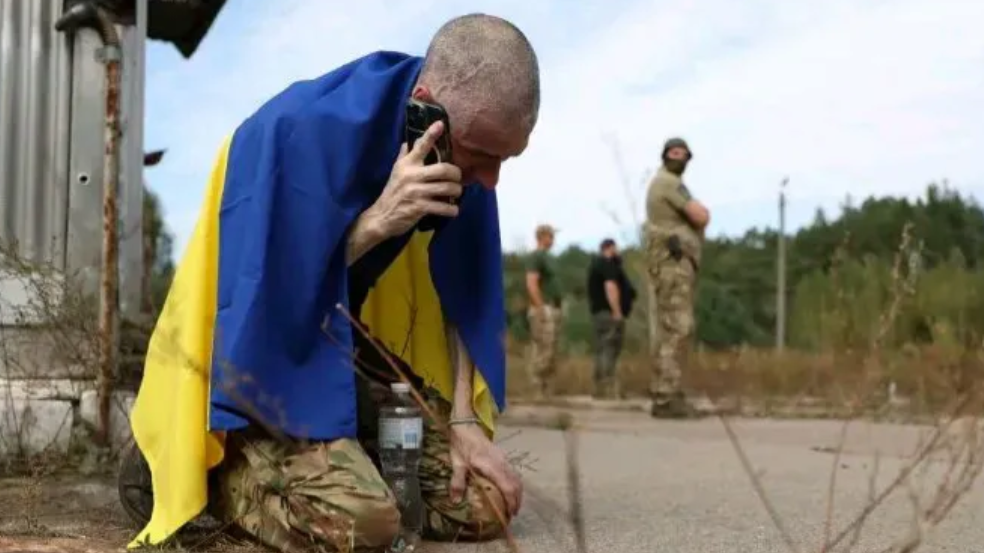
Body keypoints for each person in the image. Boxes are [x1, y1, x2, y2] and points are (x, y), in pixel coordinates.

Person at [124, 14, 539, 553]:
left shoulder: (460, 149)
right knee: (364, 526)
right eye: (482, 156)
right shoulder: (297, 130)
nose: (490, 178)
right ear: (427, 106)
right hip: (253, 357)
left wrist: (463, 422)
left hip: (337, 343)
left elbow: (467, 291)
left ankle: (346, 465)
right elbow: (263, 298)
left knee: (486, 502)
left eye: (505, 159)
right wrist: (377, 222)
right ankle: (204, 471)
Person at [643, 137, 710, 418]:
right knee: (677, 327)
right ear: (665, 156)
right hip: (672, 266)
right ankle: (666, 396)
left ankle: (668, 393)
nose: (678, 157)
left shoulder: (665, 182)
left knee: (671, 328)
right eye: (674, 152)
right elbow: (701, 216)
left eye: (683, 153)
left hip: (672, 266)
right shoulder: (669, 183)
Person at [586, 238, 636, 399]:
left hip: (599, 314)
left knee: (602, 349)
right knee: (610, 348)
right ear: (610, 248)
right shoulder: (607, 265)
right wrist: (616, 311)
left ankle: (600, 388)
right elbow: (610, 287)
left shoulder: (596, 265)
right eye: (616, 248)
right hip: (608, 313)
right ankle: (607, 388)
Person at [524, 224, 563, 399]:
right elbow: (531, 282)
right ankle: (536, 389)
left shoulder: (549, 258)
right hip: (543, 308)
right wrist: (540, 307)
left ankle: (546, 390)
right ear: (542, 237)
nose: (553, 239)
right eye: (550, 236)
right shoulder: (536, 256)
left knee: (551, 349)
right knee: (543, 348)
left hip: (554, 307)